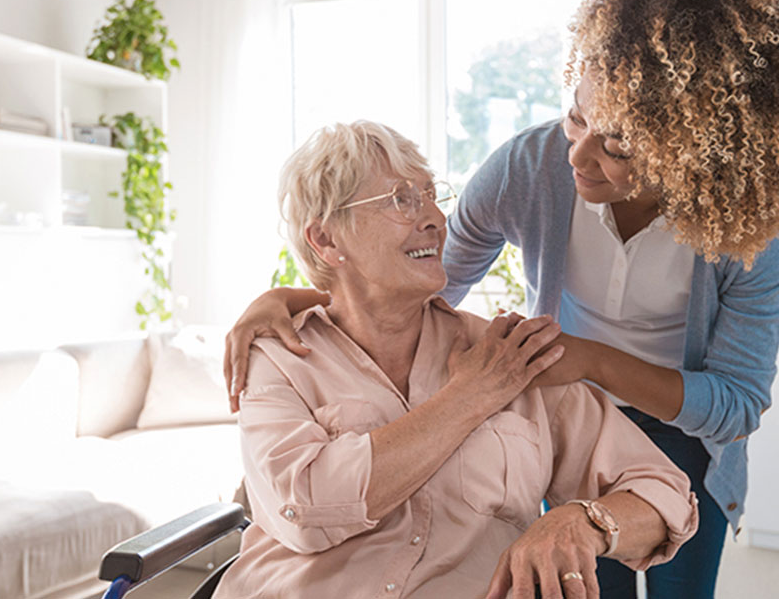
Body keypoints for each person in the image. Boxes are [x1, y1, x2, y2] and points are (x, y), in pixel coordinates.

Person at [223, 0, 779, 597]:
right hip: (559, 381)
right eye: (575, 117)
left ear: (691, 153)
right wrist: (297, 296)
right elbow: (422, 281)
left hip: (665, 418)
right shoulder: (531, 168)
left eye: (617, 144)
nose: (577, 153)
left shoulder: (751, 222)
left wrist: (589, 364)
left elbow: (738, 401)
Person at [213, 121, 697, 599]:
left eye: (430, 195)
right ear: (326, 240)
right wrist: (469, 397)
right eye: (401, 199)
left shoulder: (509, 356)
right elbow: (307, 508)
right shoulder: (278, 357)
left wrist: (585, 523)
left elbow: (667, 495)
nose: (435, 218)